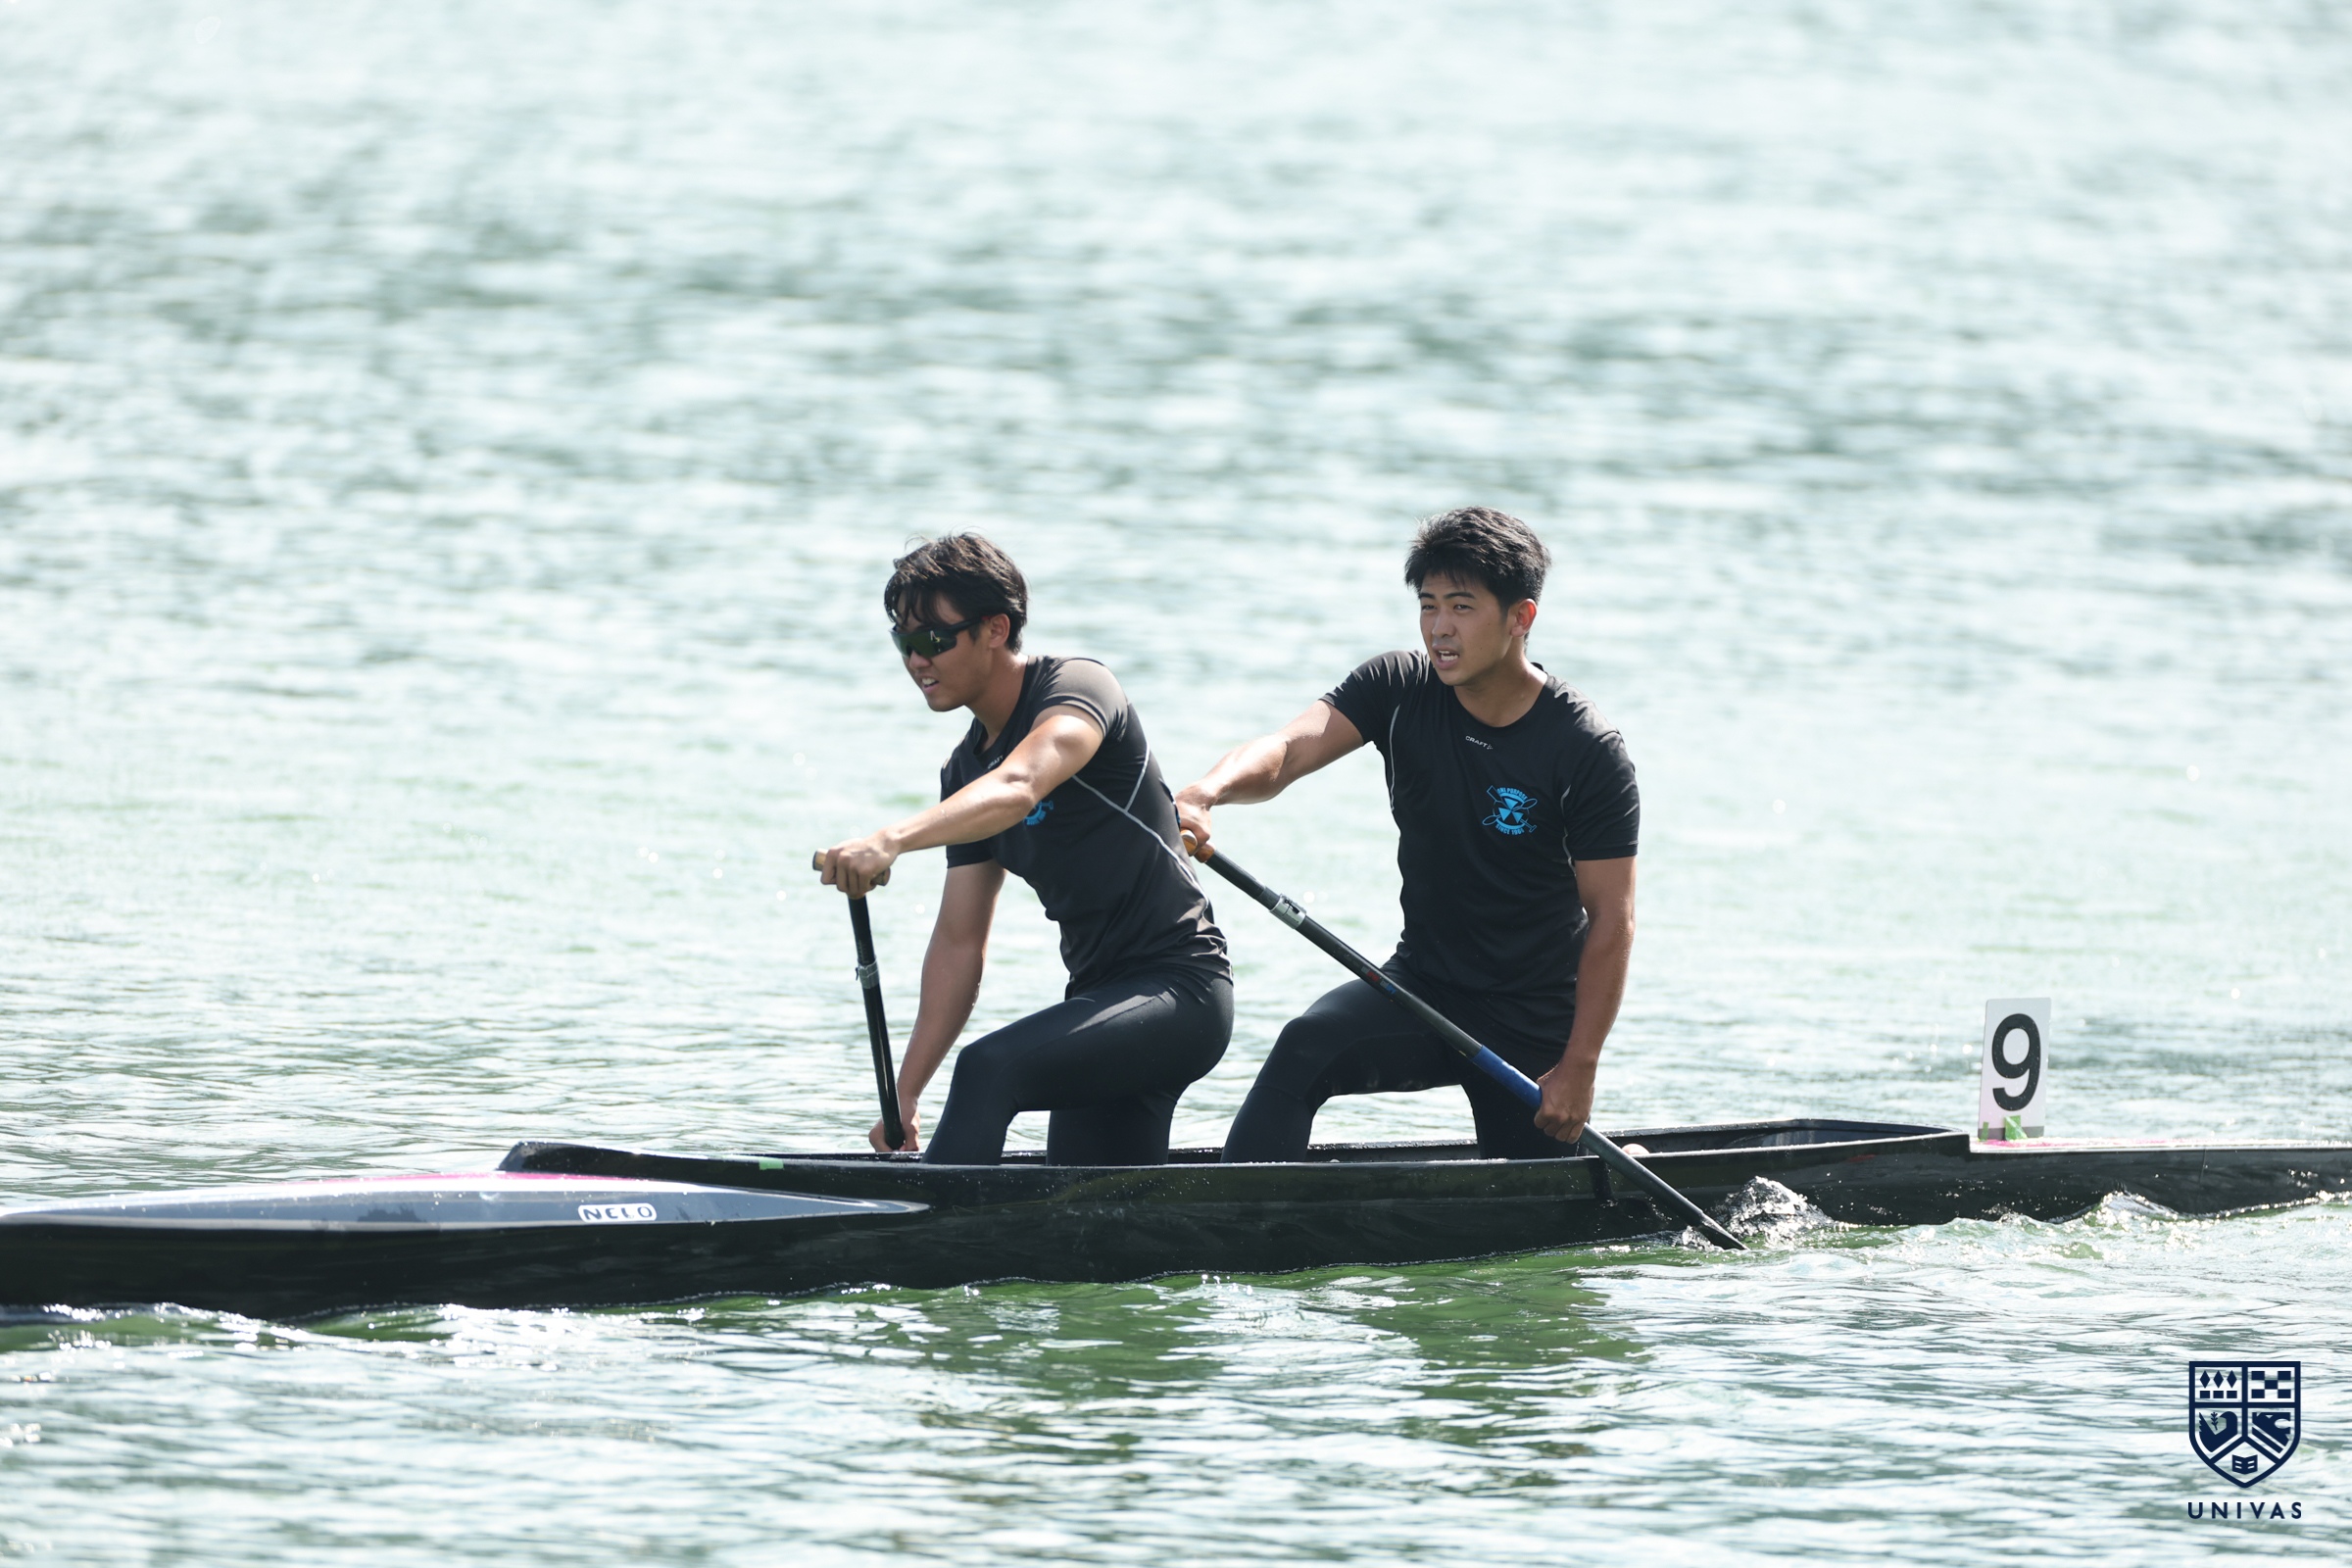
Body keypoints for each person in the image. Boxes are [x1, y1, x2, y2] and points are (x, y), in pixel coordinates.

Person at [1174, 507, 1638, 1161]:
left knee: (1536, 1199)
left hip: (1532, 1022)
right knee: (1304, 1046)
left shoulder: (1585, 749)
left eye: (1462, 607)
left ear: (1521, 617)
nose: (1439, 628)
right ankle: (1235, 1215)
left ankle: (1618, 1163)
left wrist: (1580, 1066)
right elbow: (1288, 751)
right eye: (1428, 605)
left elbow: (1613, 918)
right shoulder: (1397, 689)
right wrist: (1204, 793)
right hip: (1421, 990)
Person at [812, 533, 1232, 1165]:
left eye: (934, 639)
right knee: (1093, 1207)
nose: (916, 660)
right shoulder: (964, 772)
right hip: (1100, 1003)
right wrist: (907, 1091)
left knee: (989, 1068)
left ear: (995, 629)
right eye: (904, 642)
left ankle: (939, 1226)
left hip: (1180, 991)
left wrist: (890, 839)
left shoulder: (1080, 689)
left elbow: (1020, 785)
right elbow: (959, 944)